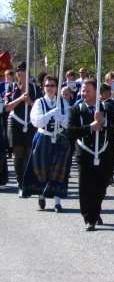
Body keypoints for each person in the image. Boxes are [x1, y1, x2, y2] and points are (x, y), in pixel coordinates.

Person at [67, 79, 114, 231]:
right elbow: (71, 130)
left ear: (96, 92)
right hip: (85, 151)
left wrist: (104, 122)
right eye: (82, 90)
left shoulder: (107, 107)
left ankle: (96, 210)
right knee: (86, 186)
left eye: (88, 90)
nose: (84, 93)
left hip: (104, 151)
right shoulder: (75, 109)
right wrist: (90, 128)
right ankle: (89, 217)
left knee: (101, 184)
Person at [22, 75, 71, 212]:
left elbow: (68, 121)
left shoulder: (63, 103)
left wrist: (60, 118)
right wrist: (49, 114)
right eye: (47, 85)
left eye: (53, 85)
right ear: (43, 87)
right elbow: (36, 121)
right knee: (42, 168)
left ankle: (57, 201)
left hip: (59, 138)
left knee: (58, 170)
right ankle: (41, 195)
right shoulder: (39, 102)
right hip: (43, 137)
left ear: (57, 87)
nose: (50, 88)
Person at [3, 61, 41, 196]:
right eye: (18, 70)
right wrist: (20, 99)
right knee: (18, 155)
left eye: (23, 70)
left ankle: (29, 182)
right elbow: (6, 108)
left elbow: (39, 107)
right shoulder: (11, 87)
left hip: (30, 123)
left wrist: (29, 102)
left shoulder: (35, 88)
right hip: (15, 123)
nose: (20, 72)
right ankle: (21, 184)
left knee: (29, 155)